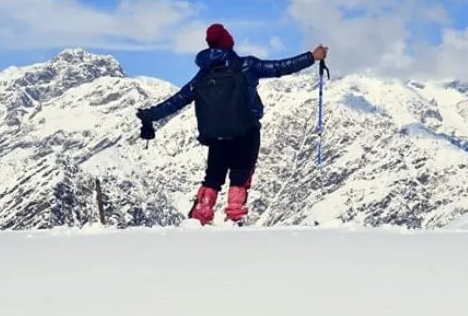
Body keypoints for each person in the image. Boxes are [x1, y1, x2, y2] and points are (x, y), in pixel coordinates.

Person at [137, 23, 328, 225]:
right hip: (246, 131)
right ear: (229, 42)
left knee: (213, 177)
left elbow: (177, 100)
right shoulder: (246, 66)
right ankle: (234, 218)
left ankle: (201, 215)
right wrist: (312, 57)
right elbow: (280, 67)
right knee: (240, 174)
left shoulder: (203, 75)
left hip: (216, 134)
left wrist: (151, 115)